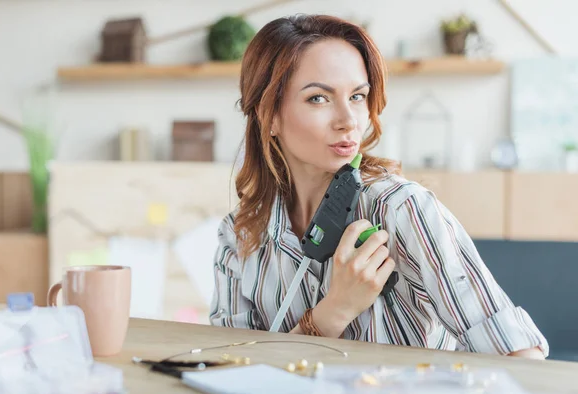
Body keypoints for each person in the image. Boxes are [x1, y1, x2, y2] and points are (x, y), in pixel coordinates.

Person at [210, 14, 548, 360]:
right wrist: (334, 311)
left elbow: (520, 356)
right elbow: (233, 368)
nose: (349, 121)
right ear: (269, 116)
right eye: (318, 98)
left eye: (357, 97)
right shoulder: (240, 235)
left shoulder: (402, 209)